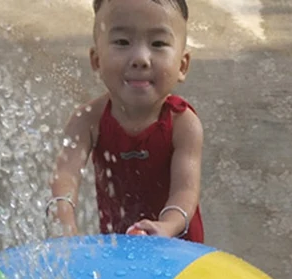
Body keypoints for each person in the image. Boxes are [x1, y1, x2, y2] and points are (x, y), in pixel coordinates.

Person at [48, 0, 204, 242]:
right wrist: (64, 223)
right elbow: (65, 177)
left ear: (182, 65)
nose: (140, 58)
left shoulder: (183, 125)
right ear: (96, 60)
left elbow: (185, 191)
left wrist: (165, 227)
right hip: (117, 245)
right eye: (122, 42)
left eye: (158, 43)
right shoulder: (88, 120)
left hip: (176, 246)